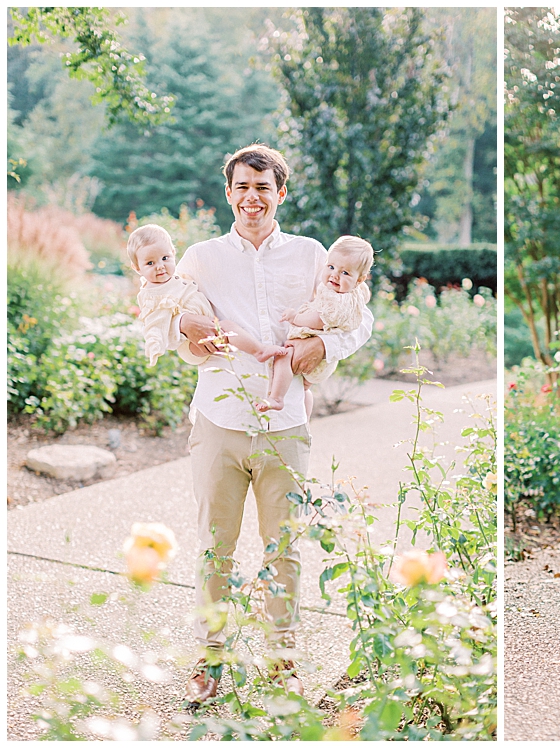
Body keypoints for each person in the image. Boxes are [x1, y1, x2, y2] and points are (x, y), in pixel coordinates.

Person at [174, 143, 373, 705]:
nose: (251, 198)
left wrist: (325, 346)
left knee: (283, 547)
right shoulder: (201, 257)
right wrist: (184, 332)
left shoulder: (314, 255)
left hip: (286, 424)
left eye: (263, 188)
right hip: (219, 418)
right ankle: (209, 661)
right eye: (242, 187)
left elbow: (361, 313)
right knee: (216, 545)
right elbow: (167, 316)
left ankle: (282, 663)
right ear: (229, 192)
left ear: (280, 193)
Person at [126, 224, 290, 367]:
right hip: (190, 343)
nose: (160, 267)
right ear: (137, 268)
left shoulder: (177, 277)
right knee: (227, 328)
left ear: (173, 253)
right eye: (150, 263)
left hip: (206, 326)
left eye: (164, 258)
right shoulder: (151, 295)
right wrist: (154, 345)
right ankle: (259, 351)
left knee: (228, 339)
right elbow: (153, 323)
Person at [257, 235, 374, 415]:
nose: (335, 275)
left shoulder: (336, 299)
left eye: (345, 273)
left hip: (317, 352)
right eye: (331, 267)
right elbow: (362, 299)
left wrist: (295, 317)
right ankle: (305, 416)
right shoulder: (356, 292)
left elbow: (319, 319)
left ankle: (276, 398)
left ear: (359, 280)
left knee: (283, 356)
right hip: (327, 361)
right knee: (303, 390)